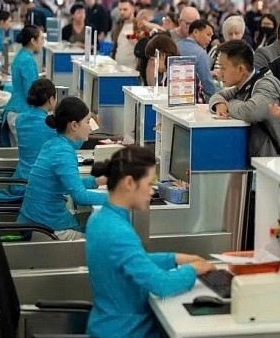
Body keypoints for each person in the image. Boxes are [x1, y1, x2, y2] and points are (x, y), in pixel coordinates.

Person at [86, 145, 215, 338]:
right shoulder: (117, 231)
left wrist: (175, 258)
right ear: (129, 183)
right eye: (149, 184)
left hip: (109, 325)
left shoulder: (102, 219)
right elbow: (160, 284)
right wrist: (195, 269)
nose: (152, 192)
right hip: (126, 331)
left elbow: (133, 262)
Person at [17, 97, 107, 240]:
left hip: (37, 221)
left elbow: (70, 184)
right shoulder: (62, 153)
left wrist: (97, 181)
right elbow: (81, 197)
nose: (90, 127)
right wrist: (119, 198)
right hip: (47, 229)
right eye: (88, 122)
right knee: (108, 239)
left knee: (100, 227)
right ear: (74, 125)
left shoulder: (54, 144)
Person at [209, 40, 280, 157]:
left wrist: (229, 103)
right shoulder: (242, 85)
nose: (220, 74)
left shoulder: (266, 86)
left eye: (223, 68)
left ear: (241, 69)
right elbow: (217, 95)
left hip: (270, 162)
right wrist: (219, 104)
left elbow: (250, 111)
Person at [12, 79, 58, 195]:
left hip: (18, 182)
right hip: (36, 187)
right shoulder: (50, 125)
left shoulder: (20, 119)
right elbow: (72, 141)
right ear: (51, 99)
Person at [2, 25, 44, 145]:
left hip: (16, 110)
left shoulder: (22, 55)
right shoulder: (28, 61)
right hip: (21, 113)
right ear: (33, 40)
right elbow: (31, 92)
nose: (43, 42)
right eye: (41, 38)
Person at [177, 20, 216, 102]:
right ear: (195, 32)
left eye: (211, 37)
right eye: (208, 35)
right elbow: (207, 84)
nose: (210, 39)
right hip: (192, 99)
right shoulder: (201, 53)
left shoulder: (175, 45)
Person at [111, 0, 139, 69]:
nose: (122, 12)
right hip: (117, 68)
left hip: (133, 70)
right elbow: (115, 47)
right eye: (120, 9)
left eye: (125, 9)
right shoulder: (118, 27)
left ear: (133, 9)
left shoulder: (139, 26)